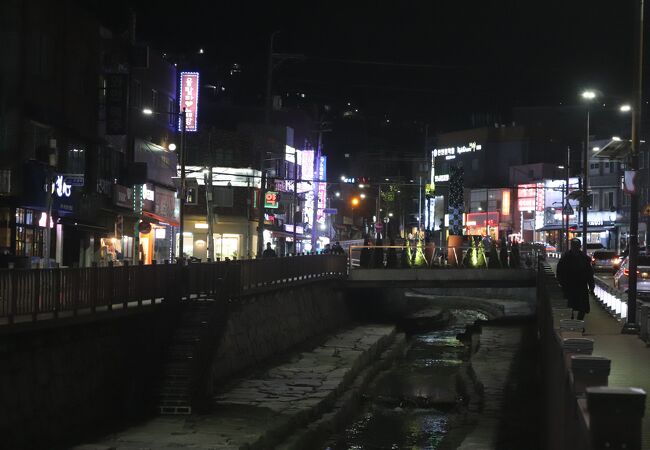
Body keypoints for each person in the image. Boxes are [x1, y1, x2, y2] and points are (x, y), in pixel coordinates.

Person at [556, 238, 595, 320]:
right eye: (574, 246)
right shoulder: (566, 258)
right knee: (571, 307)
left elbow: (589, 273)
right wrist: (561, 283)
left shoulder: (583, 258)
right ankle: (573, 323)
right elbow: (559, 272)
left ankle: (578, 323)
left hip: (579, 286)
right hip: (570, 286)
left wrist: (591, 286)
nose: (576, 248)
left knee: (581, 307)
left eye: (576, 246)